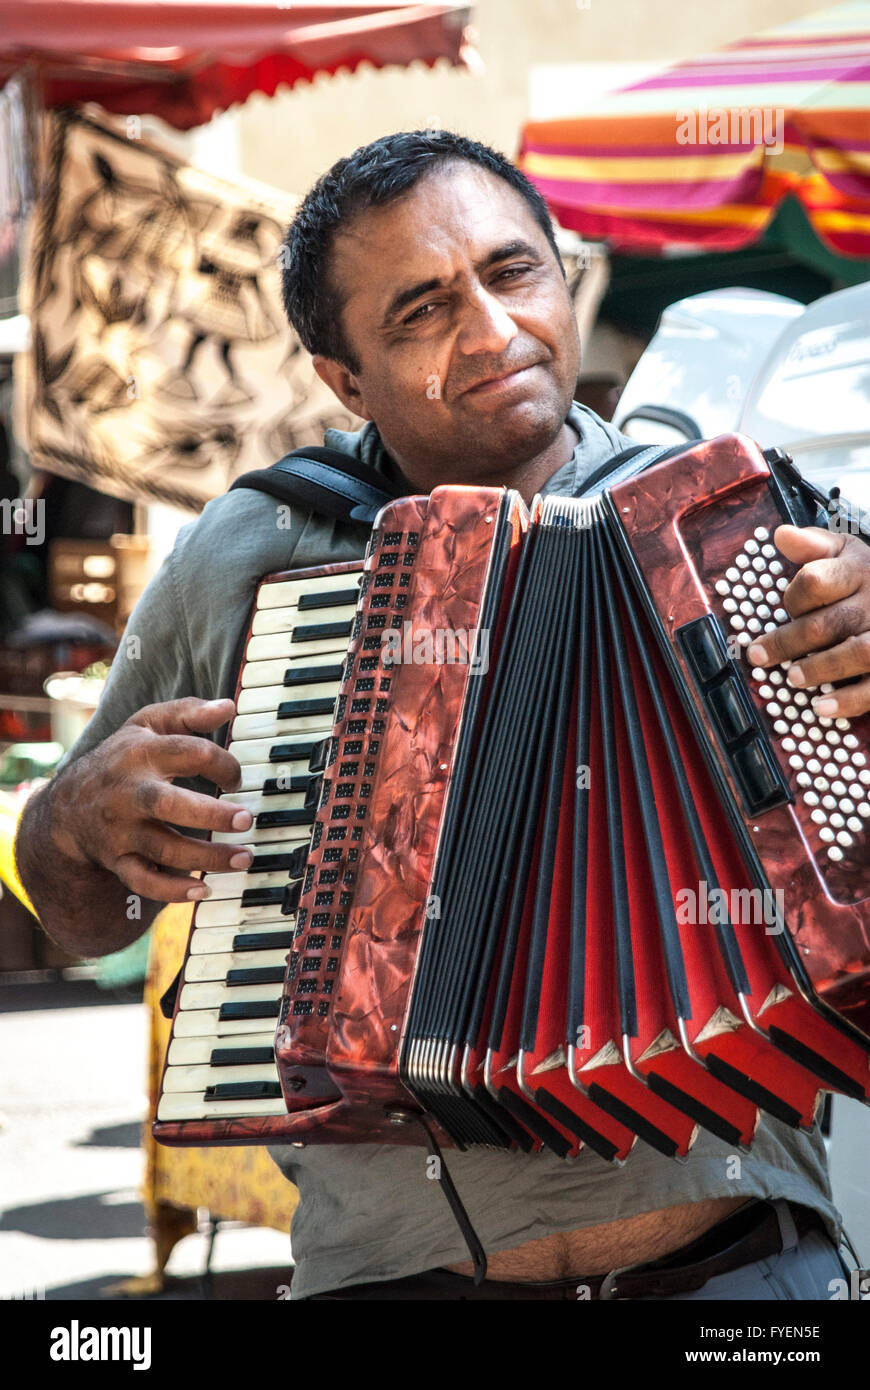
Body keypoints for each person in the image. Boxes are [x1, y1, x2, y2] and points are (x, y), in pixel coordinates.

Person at [15, 131, 870, 1302]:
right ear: (344, 379)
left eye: (513, 272)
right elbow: (88, 916)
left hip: (738, 1267)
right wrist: (71, 826)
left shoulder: (741, 530)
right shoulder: (251, 557)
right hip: (397, 1275)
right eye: (421, 310)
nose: (490, 330)